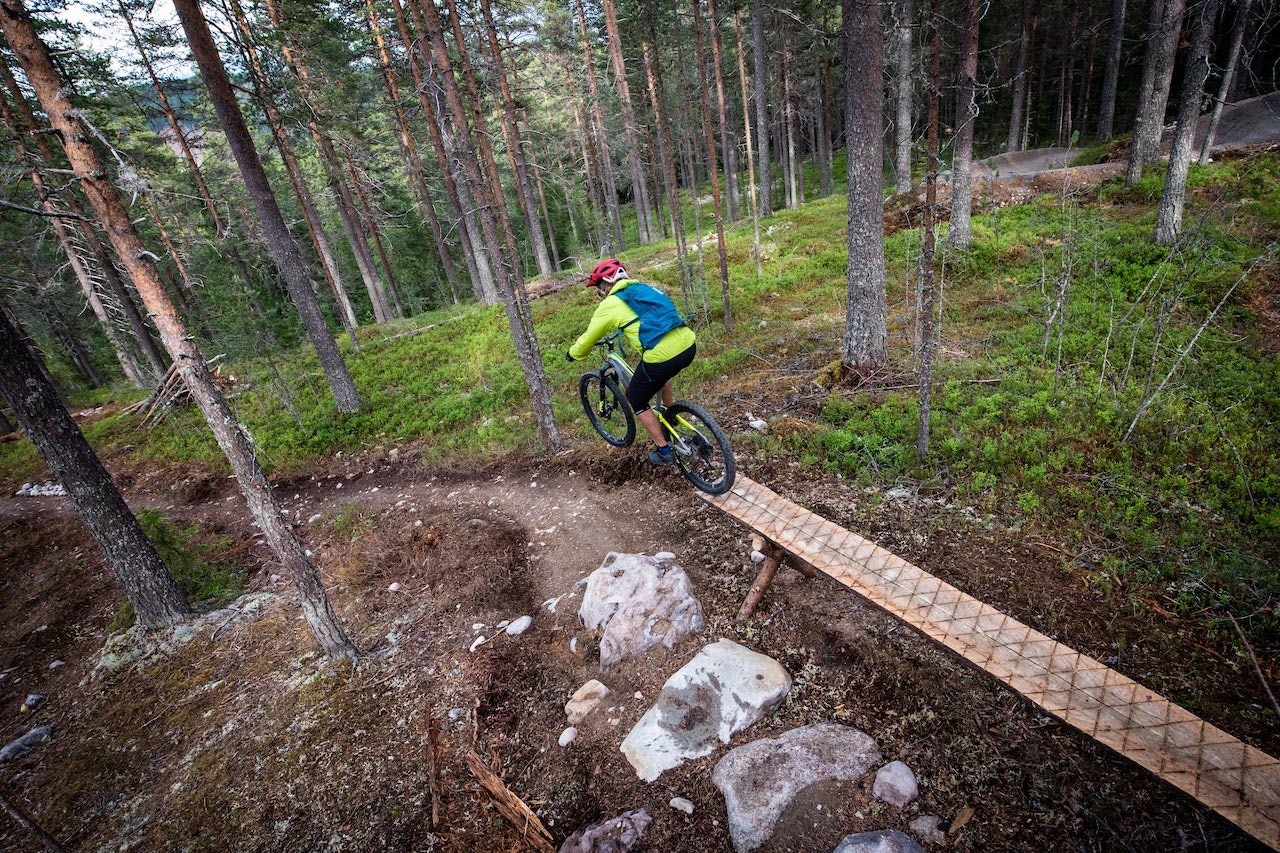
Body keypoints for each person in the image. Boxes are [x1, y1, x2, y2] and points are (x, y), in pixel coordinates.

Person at [567, 259, 696, 466]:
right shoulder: (645, 288)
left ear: (607, 284)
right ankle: (670, 414)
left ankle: (663, 450)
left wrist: (574, 354)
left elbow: (589, 338)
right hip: (688, 344)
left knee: (635, 398)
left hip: (662, 355)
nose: (601, 293)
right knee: (661, 375)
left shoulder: (610, 303)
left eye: (600, 288)